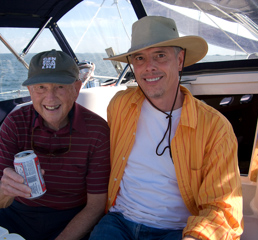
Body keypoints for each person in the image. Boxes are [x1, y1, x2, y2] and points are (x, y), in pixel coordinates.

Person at [89, 16, 243, 240]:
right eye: (139, 58)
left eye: (160, 55)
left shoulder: (215, 128)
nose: (149, 67)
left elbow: (223, 210)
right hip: (119, 221)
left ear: (179, 60)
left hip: (178, 230)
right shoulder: (120, 105)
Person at [0, 50, 110, 240]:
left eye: (60, 86)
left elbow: (96, 206)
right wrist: (5, 188)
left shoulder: (97, 130)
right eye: (41, 87)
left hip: (71, 218)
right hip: (18, 214)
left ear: (76, 88)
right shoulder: (15, 122)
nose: (50, 98)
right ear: (30, 91)